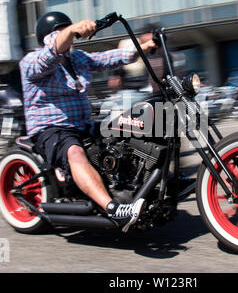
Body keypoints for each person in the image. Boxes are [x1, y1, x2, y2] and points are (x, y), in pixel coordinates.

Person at [19, 12, 157, 232]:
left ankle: (135, 186)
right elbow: (52, 52)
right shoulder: (31, 62)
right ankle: (113, 209)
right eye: (61, 33)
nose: (70, 39)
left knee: (128, 129)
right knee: (74, 152)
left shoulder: (78, 58)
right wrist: (71, 30)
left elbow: (109, 57)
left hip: (82, 124)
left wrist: (147, 45)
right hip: (51, 129)